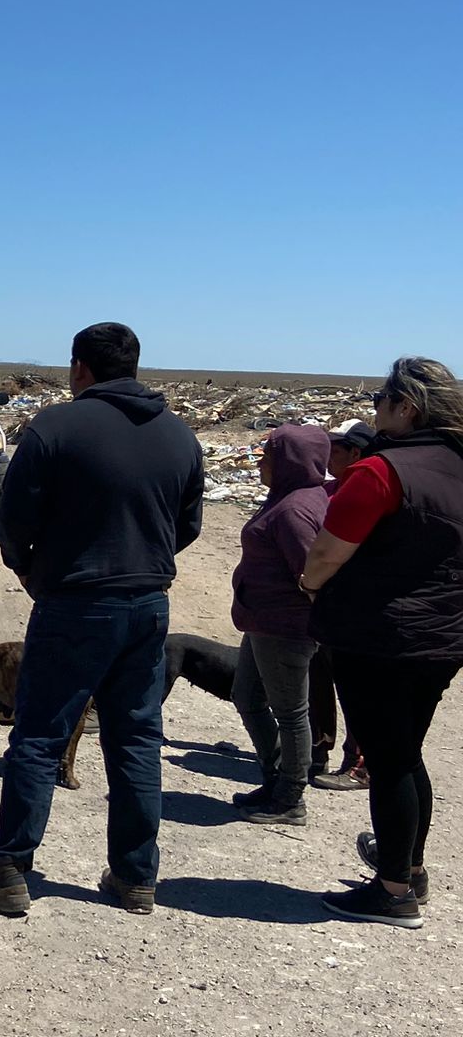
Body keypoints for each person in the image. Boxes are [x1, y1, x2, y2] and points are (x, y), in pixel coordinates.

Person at [0, 323, 204, 917]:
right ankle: (134, 878)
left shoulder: (55, 428)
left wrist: (34, 573)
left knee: (41, 733)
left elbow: (12, 519)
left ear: (79, 368)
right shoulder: (178, 436)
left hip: (74, 603)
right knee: (136, 739)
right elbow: (188, 526)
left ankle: (10, 869)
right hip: (147, 605)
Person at [303, 358, 463, 928]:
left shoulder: (381, 472)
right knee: (406, 750)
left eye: (381, 400)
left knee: (389, 758)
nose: (375, 410)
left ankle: (394, 890)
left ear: (408, 407)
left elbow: (327, 551)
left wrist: (309, 585)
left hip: (379, 638)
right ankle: (409, 868)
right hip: (444, 637)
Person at [228, 424, 331, 825]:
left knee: (290, 713)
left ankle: (290, 797)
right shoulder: (289, 498)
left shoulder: (293, 510)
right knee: (247, 696)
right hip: (262, 622)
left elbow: (312, 574)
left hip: (283, 628)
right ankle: (275, 779)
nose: (261, 462)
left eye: (269, 455)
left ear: (290, 461)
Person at [310, 419, 378, 789]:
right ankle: (318, 750)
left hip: (355, 608)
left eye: (336, 449)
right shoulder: (327, 489)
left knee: (356, 689)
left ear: (355, 452)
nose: (328, 455)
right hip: (324, 603)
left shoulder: (369, 490)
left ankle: (360, 763)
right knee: (318, 678)